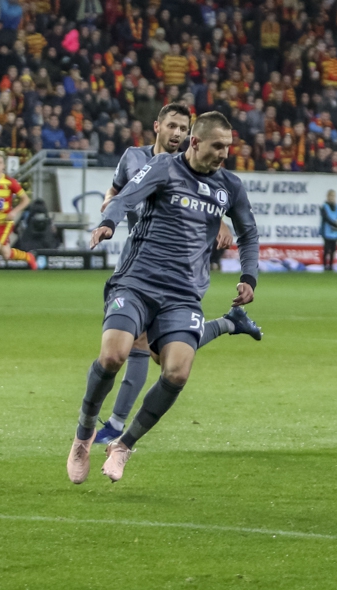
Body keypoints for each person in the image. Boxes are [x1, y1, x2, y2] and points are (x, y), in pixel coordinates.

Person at [67, 112, 260, 484]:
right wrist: (108, 222)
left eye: (228, 147)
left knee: (177, 371)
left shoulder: (230, 186)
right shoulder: (164, 168)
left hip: (184, 294)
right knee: (113, 356)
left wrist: (248, 276)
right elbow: (125, 197)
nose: (224, 153)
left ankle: (123, 445)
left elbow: (248, 233)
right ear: (195, 143)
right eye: (217, 146)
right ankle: (83, 434)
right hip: (137, 282)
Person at [0, 151, 37, 269]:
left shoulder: (10, 182)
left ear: (4, 165)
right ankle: (28, 256)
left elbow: (25, 200)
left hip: (4, 223)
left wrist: (14, 211)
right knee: (6, 254)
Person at [320, 189, 337, 271]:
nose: (331, 197)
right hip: (327, 232)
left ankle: (331, 266)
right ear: (327, 196)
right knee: (326, 249)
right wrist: (335, 224)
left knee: (333, 250)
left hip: (335, 232)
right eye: (330, 196)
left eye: (333, 196)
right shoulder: (324, 207)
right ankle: (324, 266)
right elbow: (326, 218)